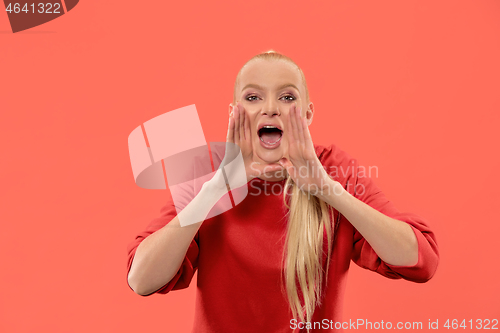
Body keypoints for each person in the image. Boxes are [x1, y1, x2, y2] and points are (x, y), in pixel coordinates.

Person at [126, 50, 439, 333]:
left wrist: (327, 190)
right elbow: (142, 279)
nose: (271, 109)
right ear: (234, 113)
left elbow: (421, 261)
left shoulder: (333, 168)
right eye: (253, 98)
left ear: (307, 114)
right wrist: (214, 191)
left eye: (287, 98)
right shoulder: (209, 170)